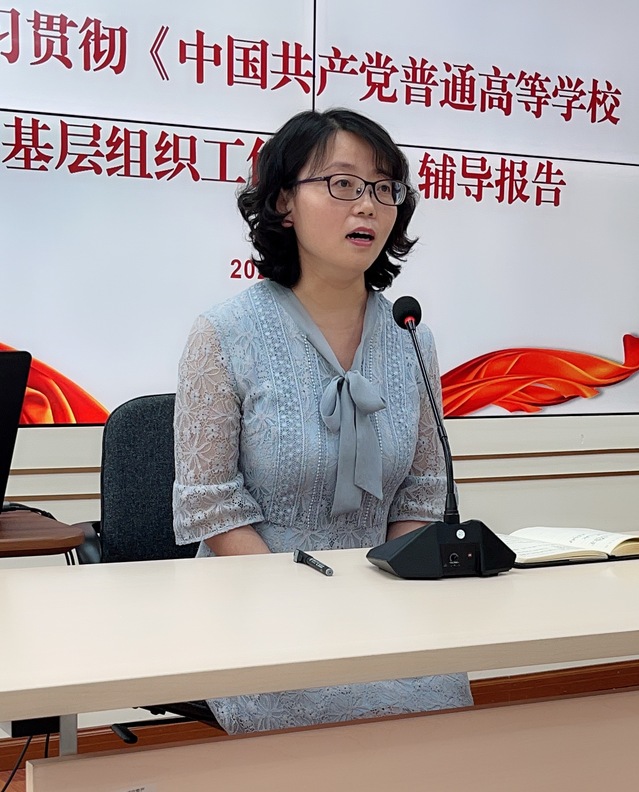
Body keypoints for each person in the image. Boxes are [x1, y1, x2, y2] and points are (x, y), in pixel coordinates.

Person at [173, 107, 473, 734]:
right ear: (284, 201)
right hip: (257, 600)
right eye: (341, 183)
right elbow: (211, 504)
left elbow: (421, 491)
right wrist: (299, 603)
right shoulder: (224, 333)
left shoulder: (411, 337)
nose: (367, 205)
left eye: (384, 188)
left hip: (386, 592)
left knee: (435, 715)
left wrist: (385, 585)